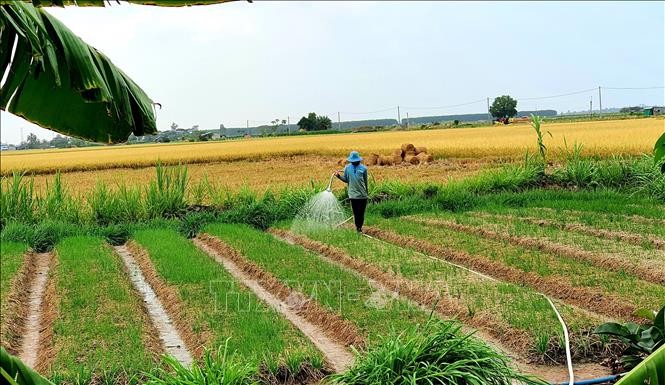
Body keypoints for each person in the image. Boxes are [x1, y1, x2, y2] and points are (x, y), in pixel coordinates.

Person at [335, 151, 369, 233]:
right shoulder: (347, 168)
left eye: (356, 161)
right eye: (353, 161)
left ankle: (360, 227)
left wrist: (366, 193)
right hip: (353, 195)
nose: (354, 162)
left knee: (361, 213)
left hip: (363, 195)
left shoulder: (364, 168)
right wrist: (338, 176)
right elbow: (346, 179)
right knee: (356, 213)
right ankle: (358, 229)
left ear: (359, 160)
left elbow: (365, 182)